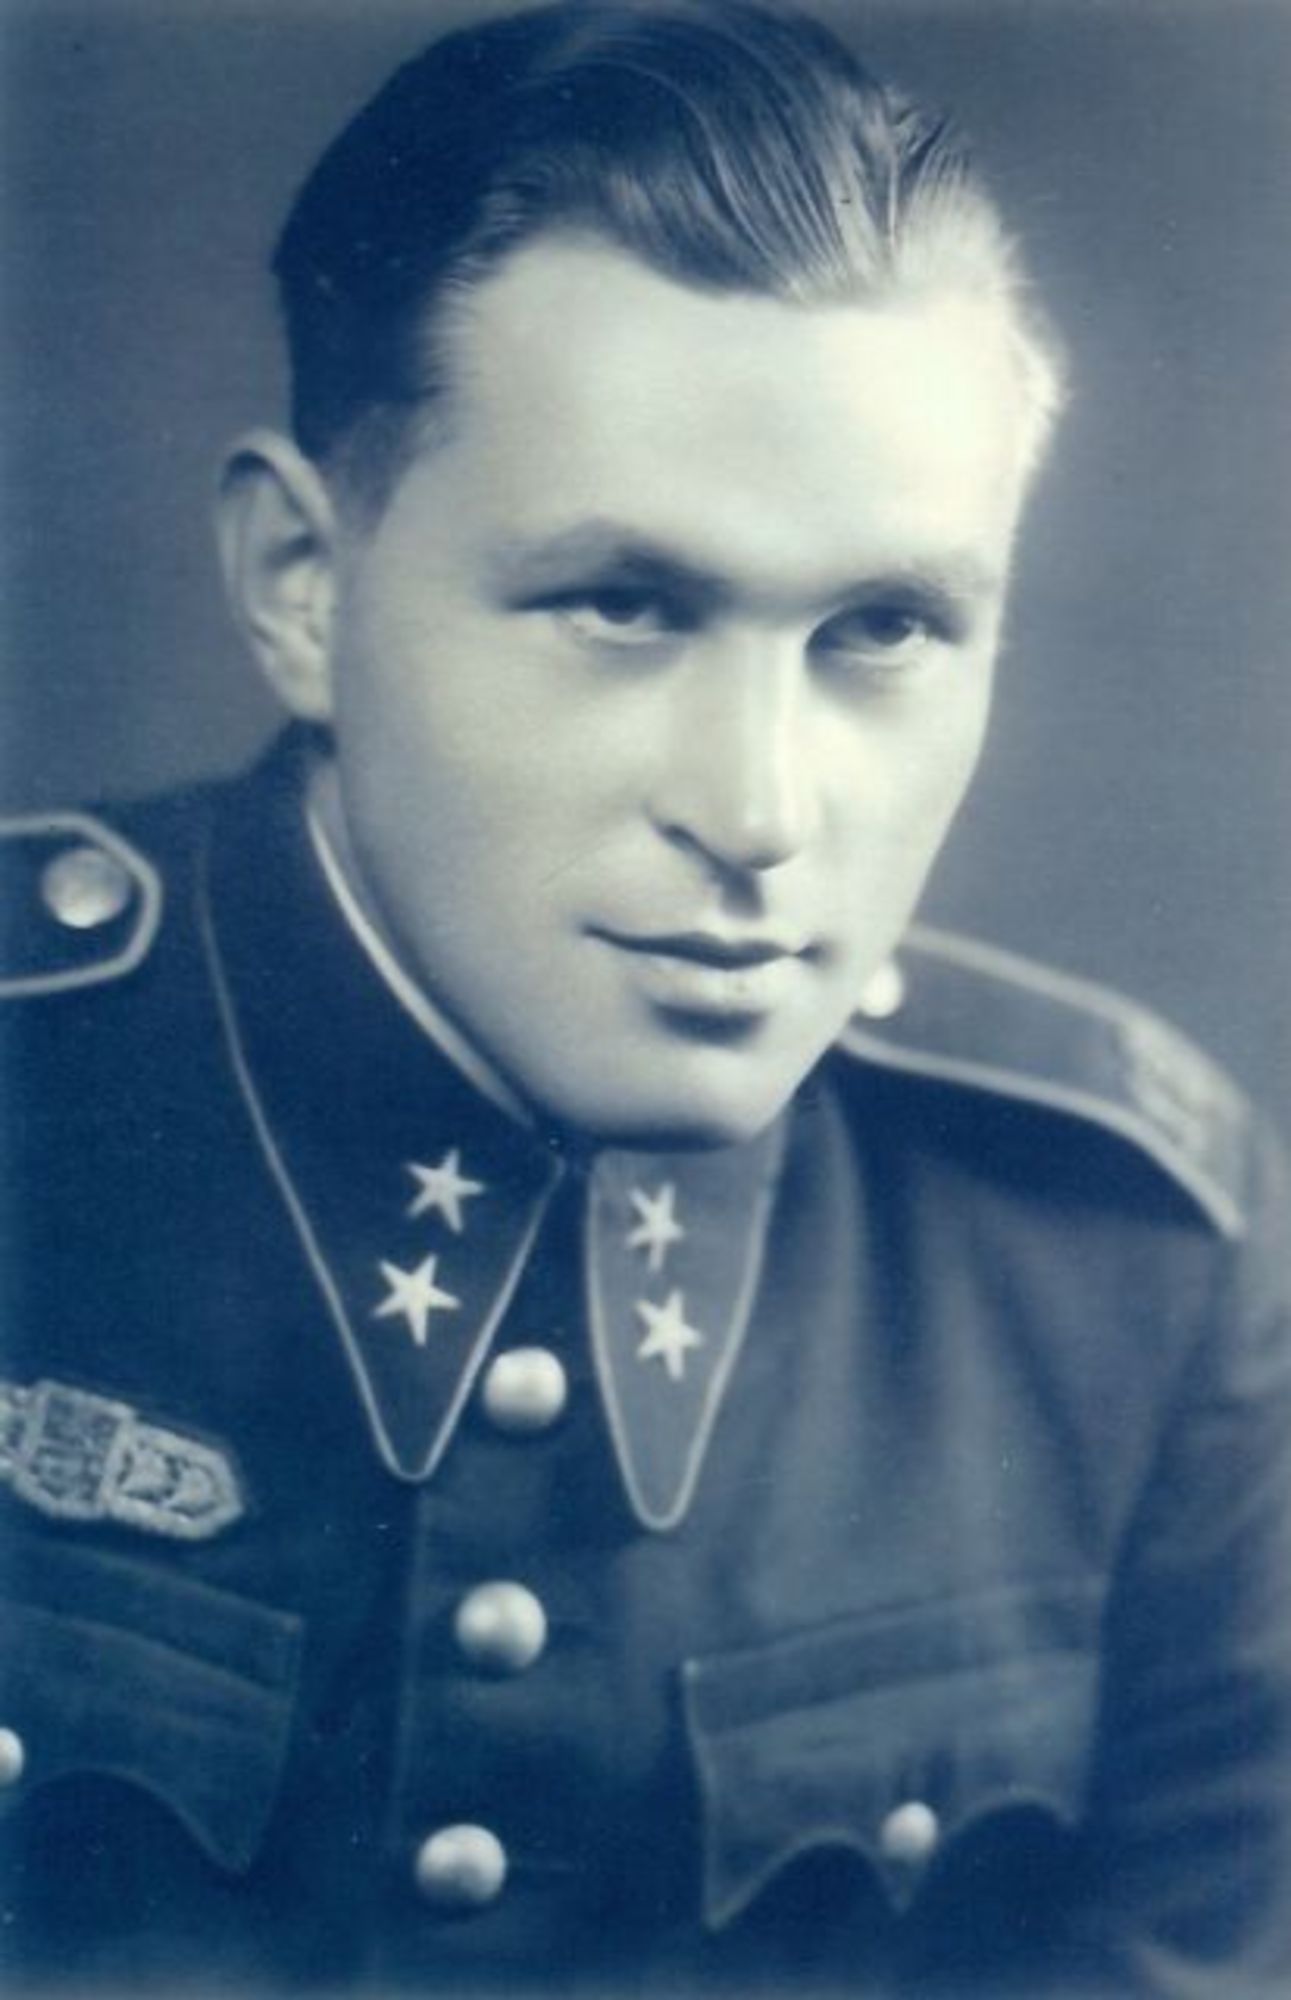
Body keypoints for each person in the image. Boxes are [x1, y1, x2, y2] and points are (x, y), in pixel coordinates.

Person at [2, 3, 1289, 1993]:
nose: (758, 811)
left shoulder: (1117, 1263)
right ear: (300, 588)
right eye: (621, 605)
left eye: (884, 628)